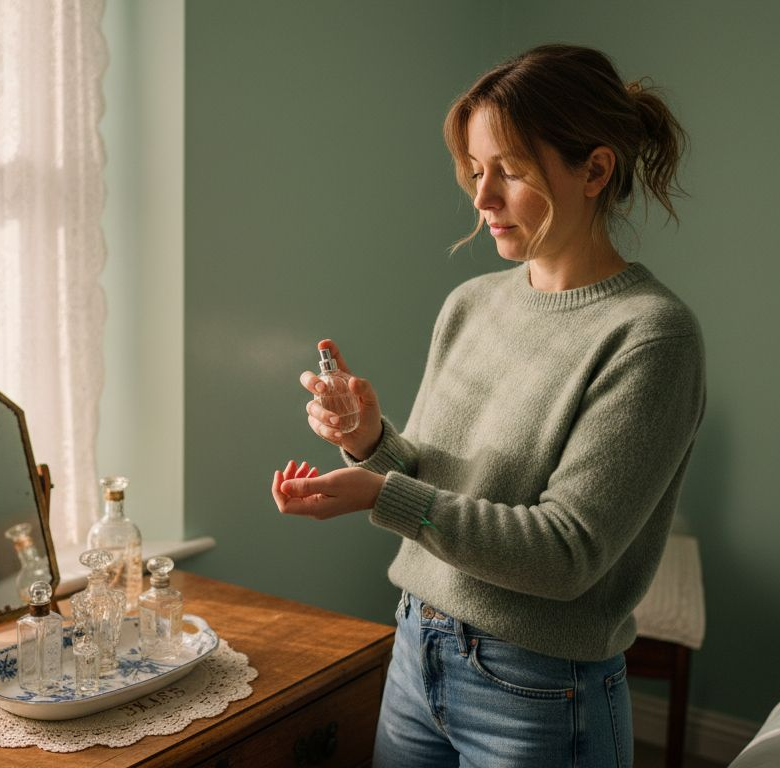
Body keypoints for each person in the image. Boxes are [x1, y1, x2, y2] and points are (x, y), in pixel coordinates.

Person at [270, 44, 704, 767]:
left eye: (510, 170)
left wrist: (382, 491)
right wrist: (370, 438)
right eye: (476, 171)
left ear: (594, 170)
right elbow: (440, 484)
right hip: (416, 650)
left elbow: (566, 554)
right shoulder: (470, 305)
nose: (482, 198)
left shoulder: (651, 335)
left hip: (540, 693)